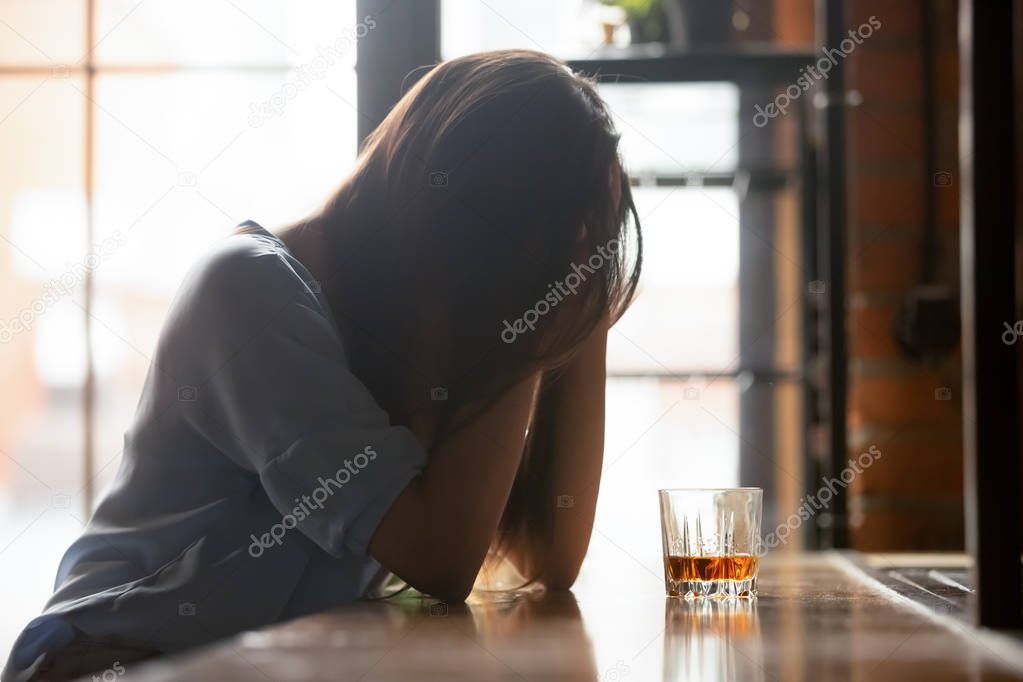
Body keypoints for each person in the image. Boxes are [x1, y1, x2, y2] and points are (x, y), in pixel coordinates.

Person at [2, 49, 642, 682]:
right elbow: (439, 558)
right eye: (557, 242)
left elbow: (548, 554)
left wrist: (574, 296)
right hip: (102, 660)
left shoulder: (412, 331)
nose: (573, 263)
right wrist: (530, 298)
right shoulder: (250, 294)